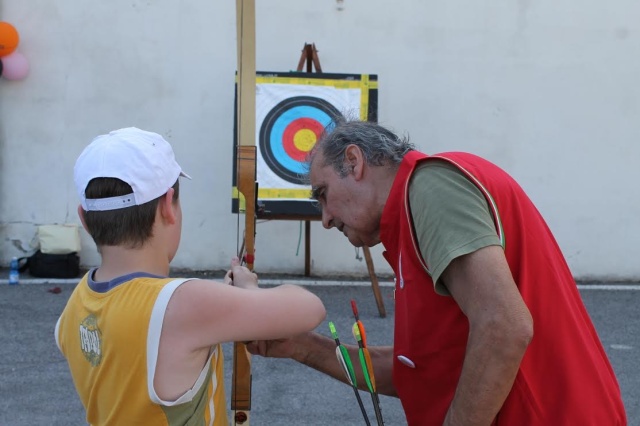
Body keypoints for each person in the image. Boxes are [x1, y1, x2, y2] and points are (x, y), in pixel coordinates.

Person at [246, 120, 627, 425]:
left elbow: (504, 327)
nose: (325, 218)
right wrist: (304, 347)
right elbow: (420, 371)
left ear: (354, 161)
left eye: (323, 194)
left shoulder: (429, 186)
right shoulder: (412, 218)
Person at [54, 127, 326, 426]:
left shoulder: (76, 303)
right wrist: (249, 290)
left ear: (84, 218)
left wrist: (226, 303)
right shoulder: (180, 304)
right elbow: (309, 308)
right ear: (167, 206)